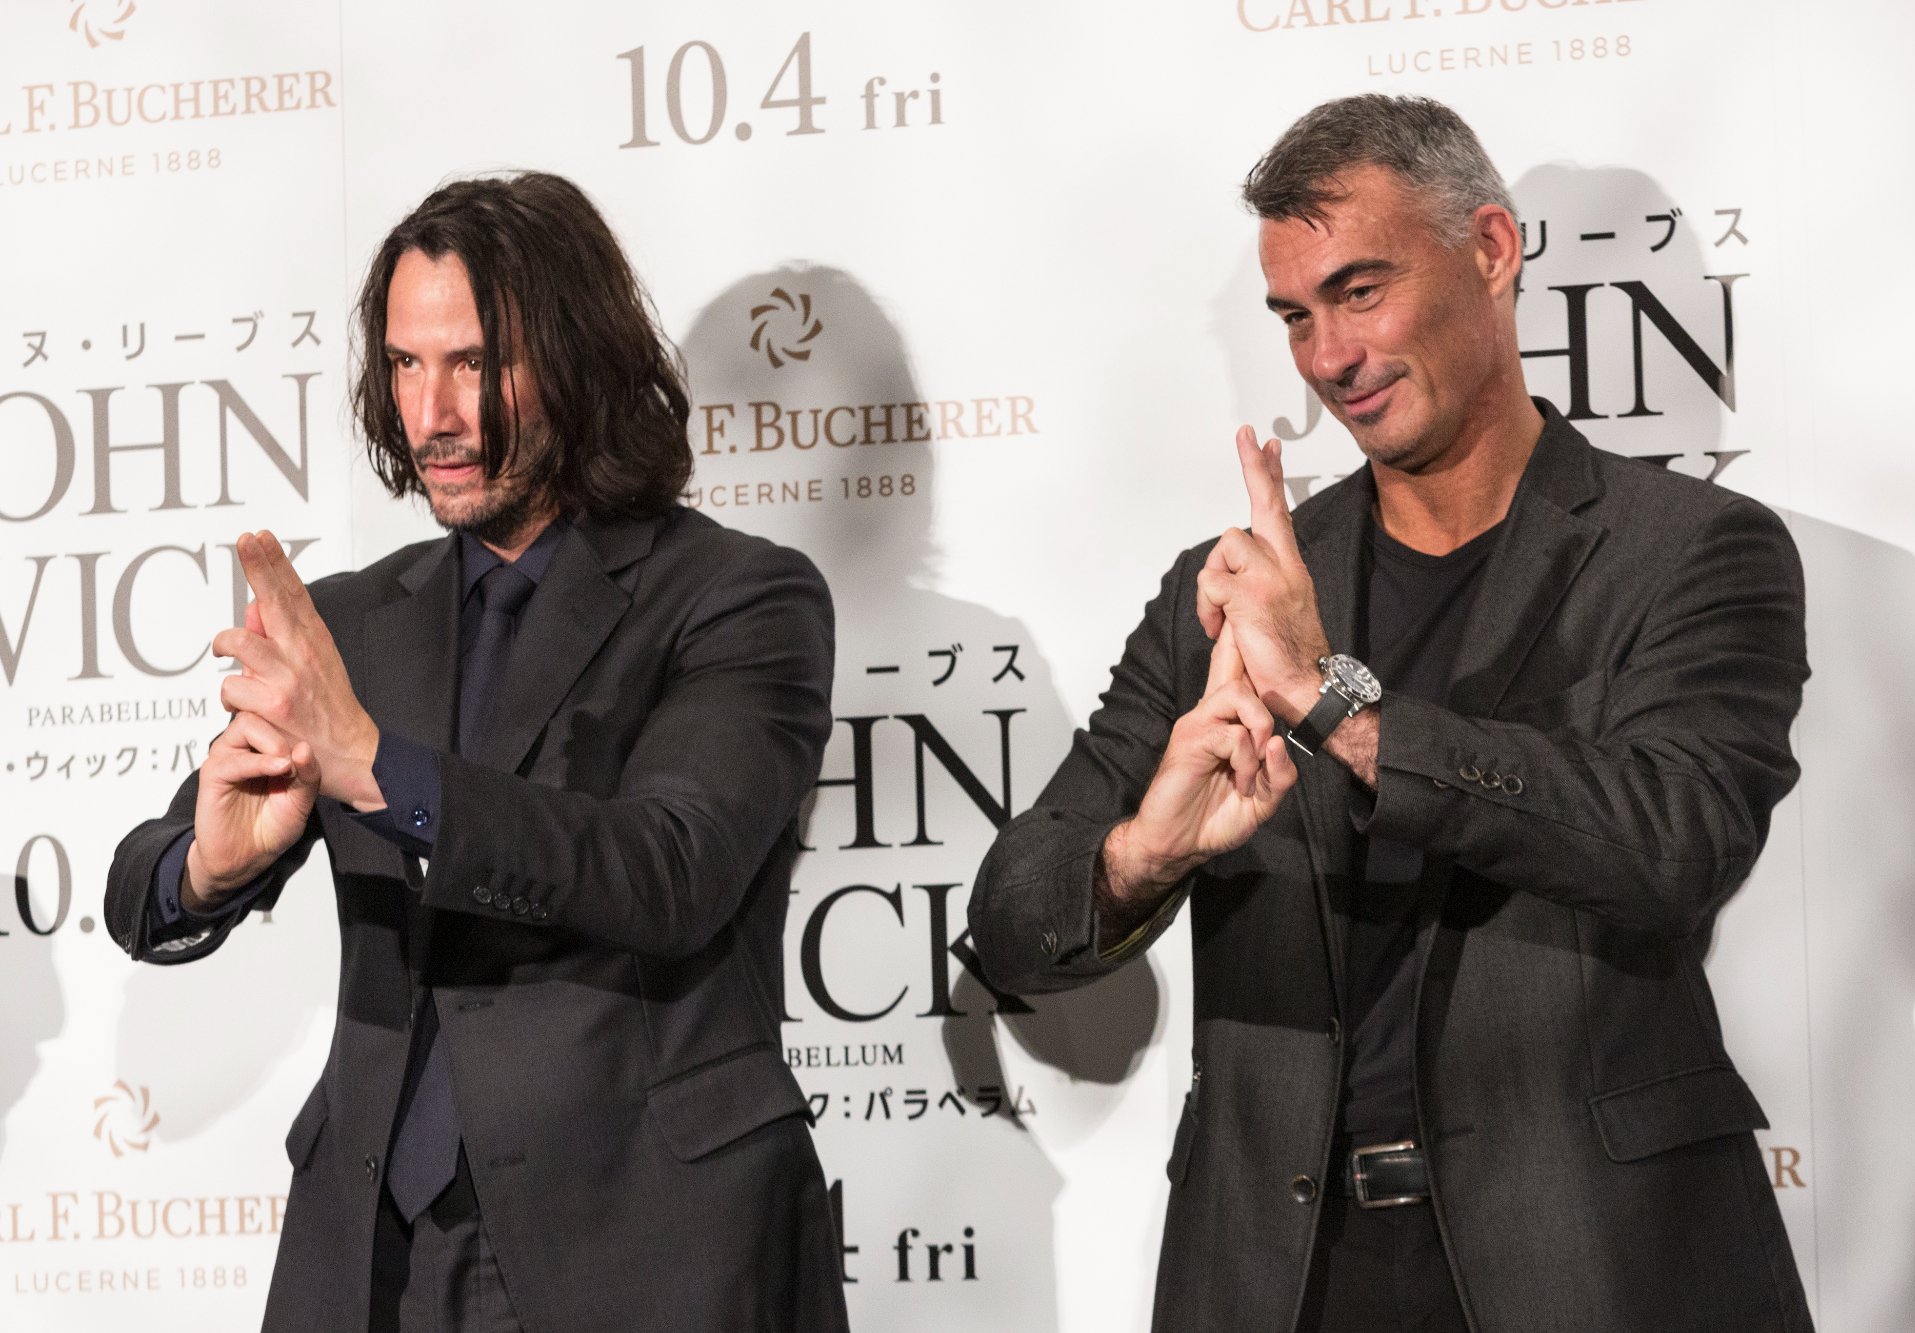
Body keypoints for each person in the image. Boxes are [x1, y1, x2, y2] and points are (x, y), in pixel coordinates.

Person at [969, 95, 1813, 1331]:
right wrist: (1139, 854)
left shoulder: (1689, 553)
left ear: (1487, 250)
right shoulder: (1234, 590)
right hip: (1279, 1277)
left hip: (1599, 1267)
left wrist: (1335, 702)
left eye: (1359, 291)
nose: (1326, 358)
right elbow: (1010, 923)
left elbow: (1672, 845)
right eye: (1294, 317)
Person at [103, 172, 848, 1333]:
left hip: (637, 1242)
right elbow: (144, 889)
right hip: (367, 1258)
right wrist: (206, 865)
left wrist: (372, 768)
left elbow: (670, 871)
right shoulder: (351, 620)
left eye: (475, 363)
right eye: (405, 364)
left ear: (577, 359)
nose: (433, 413)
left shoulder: (737, 597)